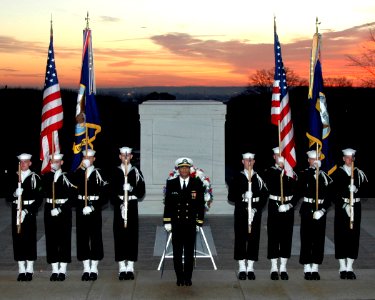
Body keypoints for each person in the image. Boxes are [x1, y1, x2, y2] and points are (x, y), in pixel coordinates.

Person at [163, 157, 205, 286]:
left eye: (187, 167)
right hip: (176, 223)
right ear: (178, 169)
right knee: (177, 252)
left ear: (190, 169)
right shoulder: (171, 183)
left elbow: (200, 204)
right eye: (182, 168)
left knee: (188, 253)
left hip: (190, 224)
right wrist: (167, 221)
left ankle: (188, 277)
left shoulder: (197, 183)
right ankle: (179, 277)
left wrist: (199, 222)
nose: (184, 170)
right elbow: (168, 204)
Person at [228, 152, 268, 280]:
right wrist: (243, 195)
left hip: (255, 211)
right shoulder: (237, 177)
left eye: (251, 161)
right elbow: (231, 197)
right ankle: (242, 267)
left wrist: (257, 208)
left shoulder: (259, 177)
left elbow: (265, 195)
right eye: (246, 160)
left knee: (253, 237)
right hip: (241, 210)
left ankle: (250, 267)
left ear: (254, 162)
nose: (249, 163)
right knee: (240, 237)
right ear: (242, 162)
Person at [72, 149, 108, 281]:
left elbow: (105, 195)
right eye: (85, 157)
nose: (87, 159)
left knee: (95, 236)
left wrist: (93, 206)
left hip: (94, 209)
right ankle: (86, 267)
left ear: (94, 159)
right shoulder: (78, 173)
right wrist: (79, 205)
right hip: (82, 207)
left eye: (89, 157)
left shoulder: (99, 173)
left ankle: (94, 267)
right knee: (82, 237)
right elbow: (72, 190)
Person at [110, 147, 145, 280]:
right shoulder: (115, 171)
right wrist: (119, 196)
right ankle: (121, 266)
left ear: (131, 156)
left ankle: (130, 266)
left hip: (132, 205)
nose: (126, 157)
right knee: (119, 234)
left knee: (132, 234)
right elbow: (110, 192)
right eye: (123, 155)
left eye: (128, 155)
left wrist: (132, 188)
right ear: (120, 156)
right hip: (120, 206)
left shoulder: (136, 171)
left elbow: (141, 192)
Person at [263, 147, 298, 280]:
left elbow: (297, 191)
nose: (280, 158)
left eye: (282, 155)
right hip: (274, 206)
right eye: (278, 155)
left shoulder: (291, 173)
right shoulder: (269, 172)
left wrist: (290, 204)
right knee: (273, 236)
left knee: (286, 236)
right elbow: (269, 186)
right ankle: (273, 267)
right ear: (274, 157)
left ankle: (283, 267)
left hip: (287, 207)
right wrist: (280, 170)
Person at [332, 148, 368, 280]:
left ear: (354, 158)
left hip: (356, 206)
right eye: (346, 157)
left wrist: (357, 189)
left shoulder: (359, 173)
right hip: (343, 208)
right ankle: (342, 266)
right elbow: (333, 193)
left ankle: (350, 266)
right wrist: (344, 204)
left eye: (351, 157)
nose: (349, 160)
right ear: (343, 159)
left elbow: (366, 192)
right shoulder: (337, 173)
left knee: (353, 234)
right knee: (341, 234)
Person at [7, 153, 43, 281]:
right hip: (16, 210)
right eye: (21, 162)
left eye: (26, 162)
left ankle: (30, 268)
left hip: (29, 212)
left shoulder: (35, 177)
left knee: (29, 238)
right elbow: (8, 196)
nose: (23, 164)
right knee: (18, 238)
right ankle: (21, 268)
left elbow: (39, 199)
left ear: (30, 163)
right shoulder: (14, 177)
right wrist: (14, 193)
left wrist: (27, 211)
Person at [298, 150, 333, 280]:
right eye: (312, 159)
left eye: (317, 158)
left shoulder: (324, 176)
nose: (315, 161)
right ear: (308, 161)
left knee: (318, 239)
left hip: (320, 210)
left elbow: (330, 197)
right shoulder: (304, 175)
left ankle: (315, 267)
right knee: (306, 238)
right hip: (307, 208)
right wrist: (289, 205)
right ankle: (307, 267)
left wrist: (323, 210)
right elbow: (297, 192)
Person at [42, 152, 77, 281]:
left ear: (61, 162)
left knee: (64, 238)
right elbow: (42, 193)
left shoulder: (68, 177)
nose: (54, 163)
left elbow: (73, 197)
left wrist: (61, 208)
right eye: (52, 161)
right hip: (50, 210)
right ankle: (54, 269)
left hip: (64, 210)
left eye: (57, 161)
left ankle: (62, 269)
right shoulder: (46, 177)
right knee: (51, 239)